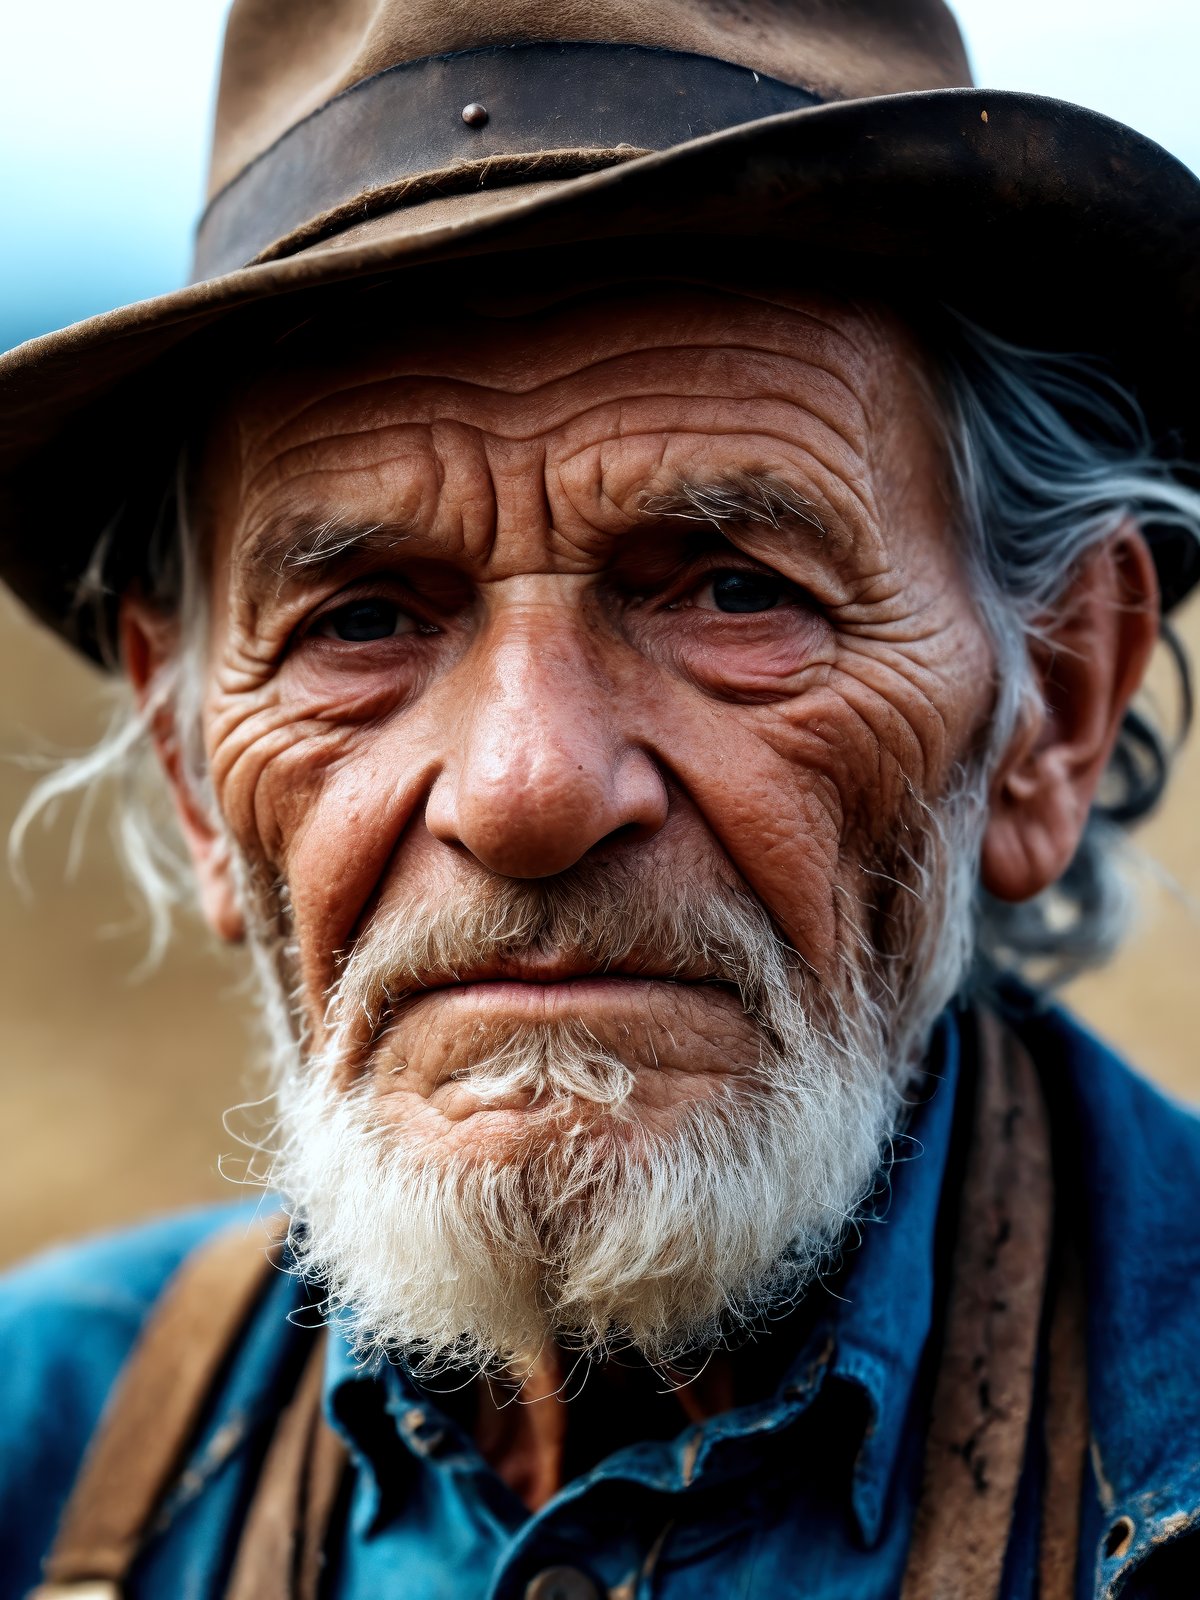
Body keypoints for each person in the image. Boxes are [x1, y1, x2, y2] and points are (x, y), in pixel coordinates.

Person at [2, 1, 1199, 1596]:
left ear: (1051, 700)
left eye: (727, 589)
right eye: (364, 620)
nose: (526, 791)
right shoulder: (47, 1453)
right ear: (192, 766)